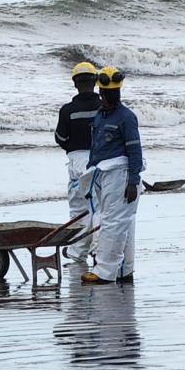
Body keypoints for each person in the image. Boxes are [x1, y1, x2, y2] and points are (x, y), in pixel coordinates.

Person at [82, 66, 143, 285]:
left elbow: (135, 151)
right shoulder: (100, 116)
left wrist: (133, 181)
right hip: (103, 176)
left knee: (113, 223)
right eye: (108, 93)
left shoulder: (126, 117)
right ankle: (124, 271)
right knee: (122, 223)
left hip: (121, 176)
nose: (111, 97)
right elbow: (95, 148)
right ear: (101, 93)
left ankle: (104, 272)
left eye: (115, 93)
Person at [54, 62, 102, 261]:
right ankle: (96, 248)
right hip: (101, 160)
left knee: (78, 208)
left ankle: (79, 252)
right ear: (95, 82)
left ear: (75, 84)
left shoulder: (68, 110)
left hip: (76, 162)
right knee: (99, 206)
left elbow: (60, 138)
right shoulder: (103, 107)